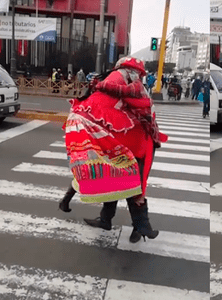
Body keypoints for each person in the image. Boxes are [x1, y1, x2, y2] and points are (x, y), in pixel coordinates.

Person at [60, 56, 168, 243]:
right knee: (113, 178)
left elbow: (117, 94)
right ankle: (109, 220)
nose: (127, 76)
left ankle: (141, 226)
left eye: (131, 73)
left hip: (138, 145)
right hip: (130, 143)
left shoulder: (132, 88)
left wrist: (101, 86)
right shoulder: (125, 91)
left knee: (131, 184)